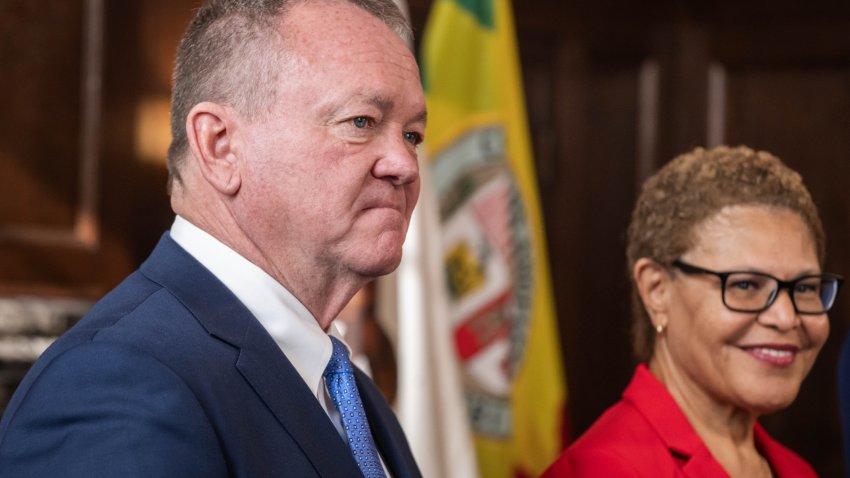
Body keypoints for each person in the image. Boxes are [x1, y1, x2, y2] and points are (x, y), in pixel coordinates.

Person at [0, 0, 426, 476]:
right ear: (220, 146)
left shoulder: (350, 393)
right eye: (361, 122)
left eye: (412, 135)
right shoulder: (114, 382)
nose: (405, 165)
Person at [543, 146, 841, 477]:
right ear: (657, 290)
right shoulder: (601, 470)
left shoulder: (796, 471)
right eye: (745, 285)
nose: (786, 317)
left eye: (804, 288)